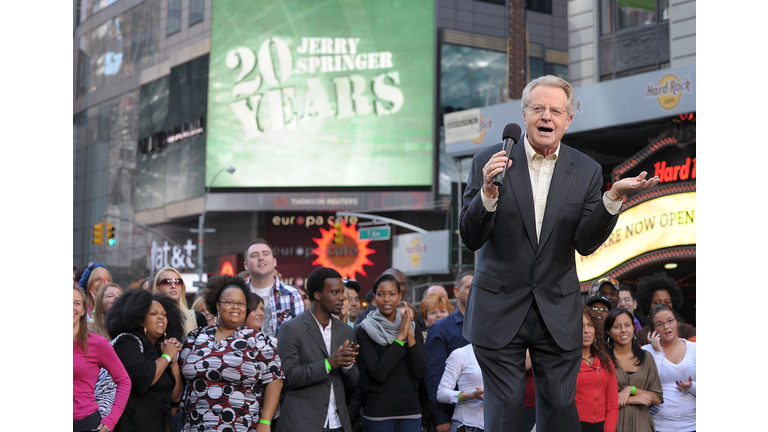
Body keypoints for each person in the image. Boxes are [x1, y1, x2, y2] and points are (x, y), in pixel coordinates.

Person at [458, 74, 659, 432]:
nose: (546, 116)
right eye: (538, 108)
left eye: (555, 110)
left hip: (557, 308)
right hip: (497, 306)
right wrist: (488, 192)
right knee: (505, 410)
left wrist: (612, 198)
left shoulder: (585, 170)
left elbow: (585, 242)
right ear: (524, 115)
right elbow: (471, 237)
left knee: (561, 411)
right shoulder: (489, 160)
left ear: (569, 119)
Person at [180, 275, 284, 432]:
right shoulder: (196, 336)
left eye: (241, 303)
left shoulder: (257, 339)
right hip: (196, 426)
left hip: (243, 426)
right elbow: (180, 378)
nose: (236, 307)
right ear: (217, 305)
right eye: (229, 302)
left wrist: (265, 421)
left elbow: (275, 380)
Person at [276, 267, 360, 432]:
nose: (342, 298)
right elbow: (289, 377)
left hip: (338, 423)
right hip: (303, 423)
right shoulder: (291, 329)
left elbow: (353, 383)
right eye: (335, 292)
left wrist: (348, 365)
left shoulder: (346, 331)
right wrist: (328, 364)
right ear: (317, 295)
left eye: (342, 292)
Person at [105, 289, 185, 432]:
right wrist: (166, 357)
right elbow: (143, 378)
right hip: (132, 425)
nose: (160, 318)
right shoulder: (127, 341)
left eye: (164, 315)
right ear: (140, 319)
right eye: (154, 314)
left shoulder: (161, 347)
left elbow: (175, 396)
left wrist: (172, 360)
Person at [356, 273, 427, 432]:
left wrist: (408, 332)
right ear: (374, 298)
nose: (386, 299)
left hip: (410, 410)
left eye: (392, 294)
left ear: (400, 296)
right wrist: (400, 337)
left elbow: (421, 370)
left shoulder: (413, 328)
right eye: (381, 294)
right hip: (378, 412)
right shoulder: (365, 329)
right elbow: (378, 373)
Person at [73, 285, 131, 432]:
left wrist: (111, 419)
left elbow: (124, 380)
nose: (71, 307)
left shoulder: (96, 342)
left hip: (84, 423)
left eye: (77, 303)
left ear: (83, 311)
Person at [425, 272, 473, 432]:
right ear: (457, 292)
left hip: (487, 416)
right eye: (469, 287)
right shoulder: (441, 328)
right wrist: (441, 419)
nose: (474, 291)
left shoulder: (491, 326)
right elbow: (433, 377)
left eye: (478, 287)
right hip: (454, 419)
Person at [604, 308, 663, 432]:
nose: (623, 330)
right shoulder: (603, 359)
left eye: (627, 325)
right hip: (613, 424)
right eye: (617, 326)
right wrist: (633, 399)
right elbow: (598, 399)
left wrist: (631, 389)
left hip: (642, 424)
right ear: (609, 332)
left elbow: (657, 398)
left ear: (633, 328)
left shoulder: (647, 358)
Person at [642, 305, 696, 432]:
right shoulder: (646, 351)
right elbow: (647, 386)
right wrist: (659, 354)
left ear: (677, 322)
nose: (666, 326)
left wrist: (691, 386)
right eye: (660, 324)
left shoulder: (695, 349)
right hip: (659, 425)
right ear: (653, 329)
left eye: (670, 321)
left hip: (692, 424)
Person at [244, 238, 306, 338]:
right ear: (246, 265)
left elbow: (301, 336)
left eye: (265, 254)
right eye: (254, 255)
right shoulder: (238, 295)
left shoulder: (292, 295)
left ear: (274, 262)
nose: (261, 258)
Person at [575, 307, 618, 432]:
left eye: (590, 325)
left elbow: (612, 403)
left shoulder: (606, 362)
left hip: (601, 426)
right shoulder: (566, 362)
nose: (586, 330)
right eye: (581, 326)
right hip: (574, 425)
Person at [635, 272, 695, 345]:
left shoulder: (686, 330)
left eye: (667, 302)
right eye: (657, 303)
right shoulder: (641, 336)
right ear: (648, 305)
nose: (662, 306)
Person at [437, 344, 485, 432]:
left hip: (500, 423)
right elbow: (441, 393)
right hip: (468, 424)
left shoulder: (507, 354)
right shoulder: (461, 354)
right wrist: (471, 395)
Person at [152, 266, 206, 335]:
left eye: (177, 281)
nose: (173, 285)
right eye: (167, 281)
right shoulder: (150, 318)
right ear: (157, 288)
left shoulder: (197, 318)